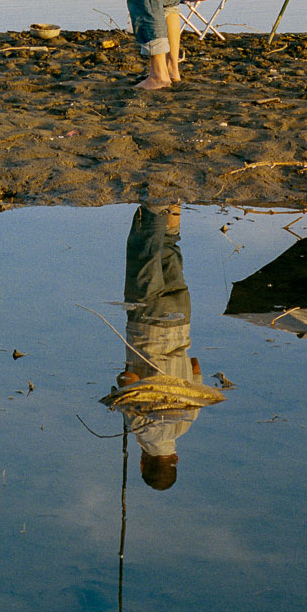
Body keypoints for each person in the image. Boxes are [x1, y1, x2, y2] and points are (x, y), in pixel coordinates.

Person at [118, 204, 200, 490]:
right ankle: (154, 201)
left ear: (175, 456)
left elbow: (195, 367)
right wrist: (121, 384)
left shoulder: (187, 420)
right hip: (147, 324)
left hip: (180, 319)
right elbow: (130, 381)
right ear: (143, 462)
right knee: (144, 250)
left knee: (169, 247)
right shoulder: (139, 427)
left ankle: (173, 199)